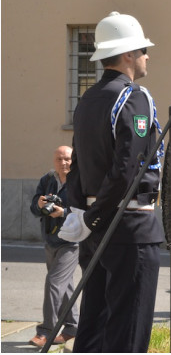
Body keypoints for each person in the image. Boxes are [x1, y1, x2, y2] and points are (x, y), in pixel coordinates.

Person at [59, 12, 164, 352]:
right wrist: (95, 217)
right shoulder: (135, 97)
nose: (148, 56)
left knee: (95, 326)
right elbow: (127, 171)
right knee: (127, 333)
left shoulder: (87, 99)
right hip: (129, 226)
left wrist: (83, 216)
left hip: (96, 227)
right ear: (129, 54)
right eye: (144, 49)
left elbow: (77, 167)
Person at [28, 146, 78, 347]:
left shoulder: (80, 181)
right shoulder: (47, 179)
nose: (63, 163)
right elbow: (34, 208)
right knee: (64, 285)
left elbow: (86, 209)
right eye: (59, 159)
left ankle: (46, 331)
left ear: (73, 160)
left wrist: (63, 212)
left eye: (67, 159)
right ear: (54, 161)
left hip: (72, 240)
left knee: (54, 282)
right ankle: (72, 326)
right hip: (51, 239)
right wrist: (40, 206)